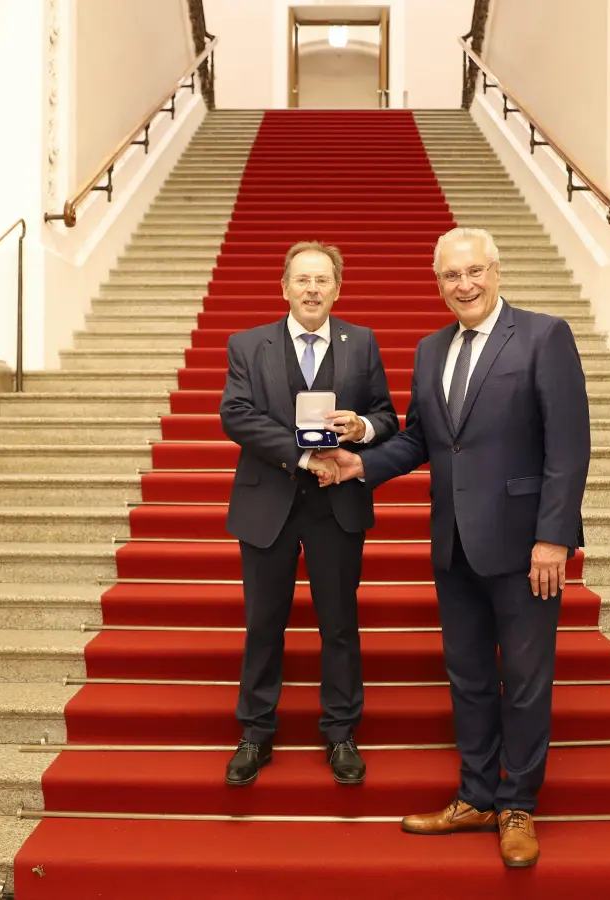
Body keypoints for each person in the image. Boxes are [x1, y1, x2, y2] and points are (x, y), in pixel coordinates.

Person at [314, 227, 591, 867]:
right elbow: (422, 438)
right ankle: (476, 796)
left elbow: (568, 446)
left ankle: (517, 804)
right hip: (455, 544)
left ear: (496, 271)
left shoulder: (544, 336)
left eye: (474, 271)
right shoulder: (431, 348)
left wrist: (553, 537)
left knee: (525, 681)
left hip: (526, 548)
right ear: (437, 282)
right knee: (468, 679)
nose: (464, 285)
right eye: (450, 276)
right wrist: (361, 465)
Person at [217, 240, 399, 788]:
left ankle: (341, 731)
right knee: (263, 624)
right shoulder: (248, 344)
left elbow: (387, 416)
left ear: (337, 289)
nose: (312, 290)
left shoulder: (362, 342)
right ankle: (255, 733)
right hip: (267, 503)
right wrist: (302, 456)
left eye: (322, 280)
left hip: (337, 505)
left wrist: (361, 429)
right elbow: (236, 414)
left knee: (339, 624)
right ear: (285, 288)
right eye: (302, 280)